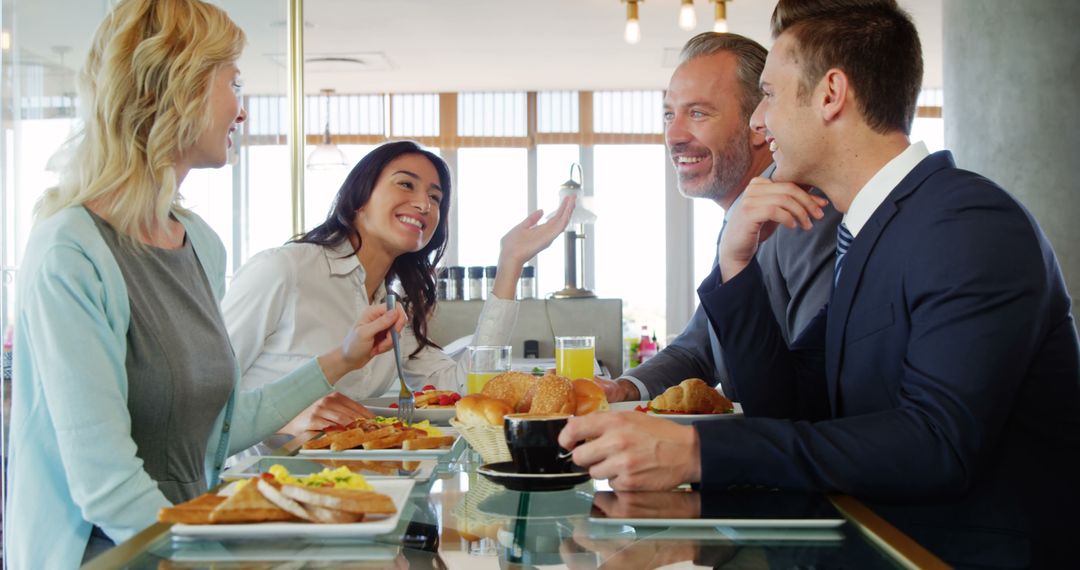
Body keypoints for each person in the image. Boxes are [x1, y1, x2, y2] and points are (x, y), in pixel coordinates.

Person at [561, 1, 1080, 566]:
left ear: (831, 94)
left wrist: (697, 451)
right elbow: (786, 407)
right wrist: (735, 266)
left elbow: (937, 442)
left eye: (771, 95)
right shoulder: (868, 235)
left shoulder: (968, 220)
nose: (760, 121)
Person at [3, 1, 406, 566]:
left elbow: (220, 425)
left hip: (185, 542)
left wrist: (342, 358)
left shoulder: (197, 241)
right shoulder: (70, 250)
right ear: (176, 87)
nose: (242, 112)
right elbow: (105, 482)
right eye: (233, 82)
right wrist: (221, 558)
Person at [222, 140, 575, 438]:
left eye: (436, 198)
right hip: (253, 484)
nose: (424, 204)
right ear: (360, 197)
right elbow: (199, 395)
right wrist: (282, 418)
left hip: (356, 484)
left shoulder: (392, 306)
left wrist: (510, 263)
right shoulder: (284, 269)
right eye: (406, 185)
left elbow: (466, 385)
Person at [594, 32, 839, 403]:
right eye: (668, 115)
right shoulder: (741, 215)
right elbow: (698, 347)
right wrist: (624, 388)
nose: (673, 135)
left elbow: (812, 392)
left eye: (697, 113)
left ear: (760, 124)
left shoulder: (801, 211)